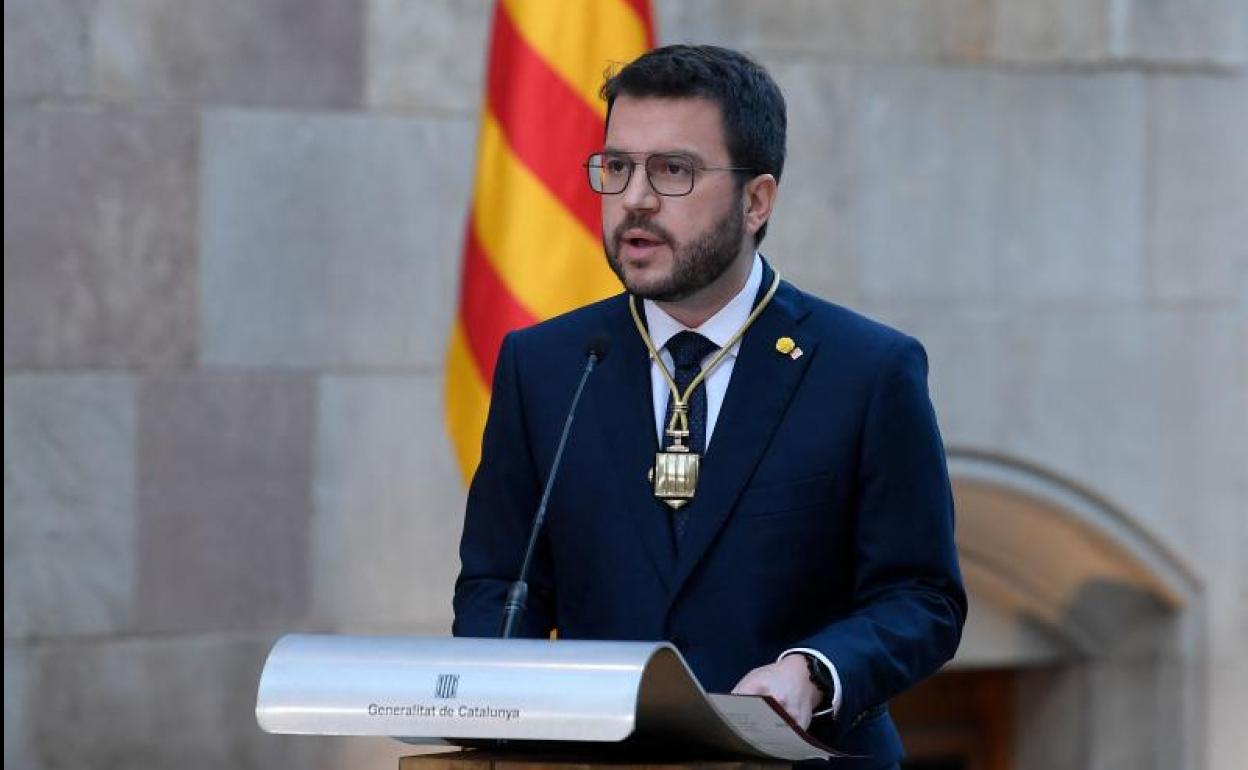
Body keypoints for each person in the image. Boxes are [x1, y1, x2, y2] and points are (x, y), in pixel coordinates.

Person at [453, 44, 966, 768]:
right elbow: (502, 582)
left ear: (756, 201)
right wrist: (496, 704)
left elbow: (921, 597)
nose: (635, 198)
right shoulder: (545, 366)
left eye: (673, 171)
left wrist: (813, 672)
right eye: (617, 167)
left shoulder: (866, 369)